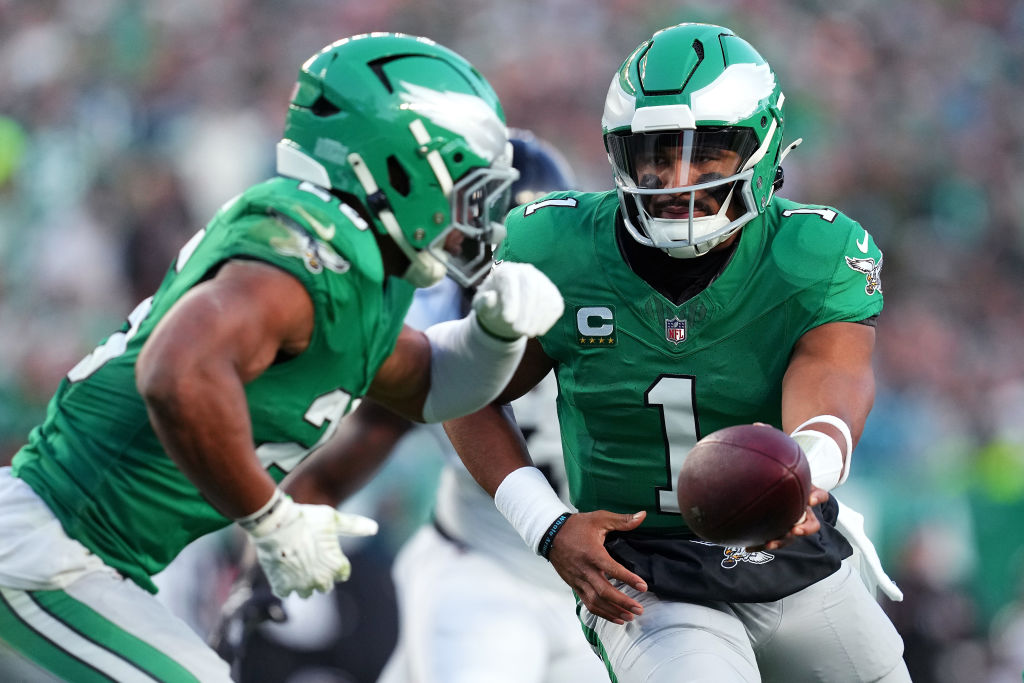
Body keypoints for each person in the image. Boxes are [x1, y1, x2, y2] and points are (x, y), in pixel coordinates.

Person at [0, 33, 565, 683]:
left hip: (92, 557)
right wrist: (272, 519)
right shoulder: (306, 248)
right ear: (405, 166)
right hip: (49, 546)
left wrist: (495, 334)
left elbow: (436, 385)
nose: (480, 219)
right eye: (469, 188)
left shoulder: (364, 274)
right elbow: (174, 373)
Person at [443, 23, 912, 683]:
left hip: (796, 559)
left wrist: (807, 473)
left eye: (708, 152)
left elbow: (832, 382)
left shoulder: (811, 254)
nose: (676, 178)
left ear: (765, 144)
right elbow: (466, 391)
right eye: (655, 154)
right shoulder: (556, 248)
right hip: (646, 572)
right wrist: (547, 526)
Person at [207, 129, 607, 683]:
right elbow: (330, 472)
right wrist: (258, 566)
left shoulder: (614, 327)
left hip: (593, 591)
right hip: (478, 572)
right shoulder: (438, 338)